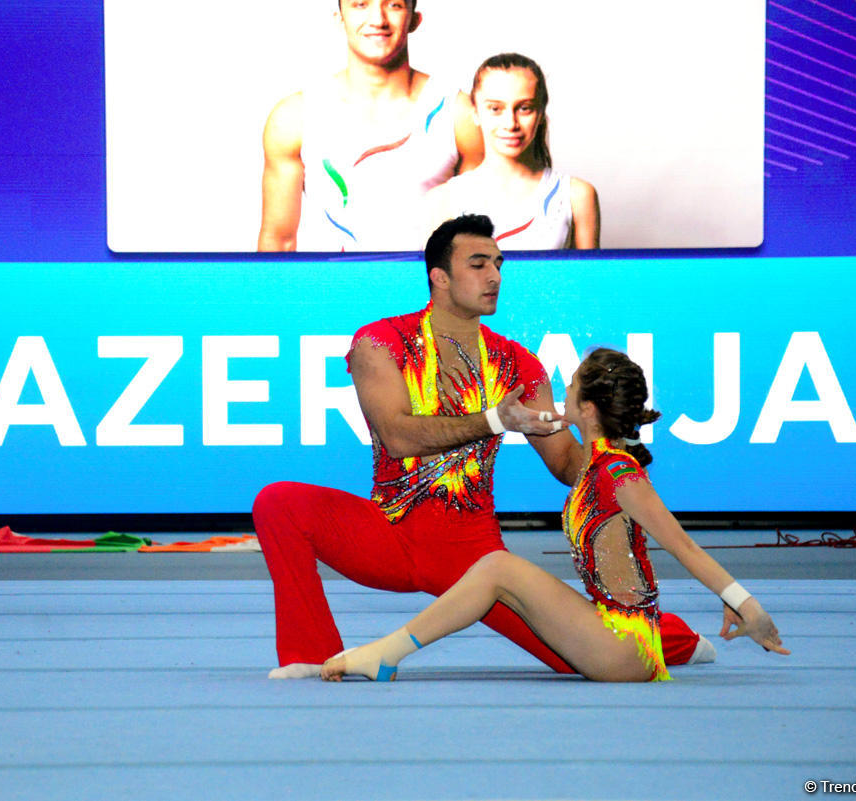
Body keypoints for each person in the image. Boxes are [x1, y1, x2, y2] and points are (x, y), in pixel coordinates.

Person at [253, 214, 711, 680]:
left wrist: (613, 451)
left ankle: (676, 638)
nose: (494, 276)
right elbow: (397, 435)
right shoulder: (381, 342)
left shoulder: (518, 364)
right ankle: (309, 653)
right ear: (440, 277)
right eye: (478, 264)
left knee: (574, 656)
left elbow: (565, 462)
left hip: (473, 556)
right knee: (278, 503)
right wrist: (495, 419)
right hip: (389, 533)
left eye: (498, 263)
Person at [322, 348, 790, 682]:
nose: (560, 393)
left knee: (497, 567)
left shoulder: (620, 475)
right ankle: (386, 653)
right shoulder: (595, 464)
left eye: (569, 387)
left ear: (586, 409)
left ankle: (385, 654)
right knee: (497, 571)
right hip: (609, 627)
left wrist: (746, 603)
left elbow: (683, 546)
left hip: (627, 646)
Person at [257, 0, 484, 252]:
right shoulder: (295, 117)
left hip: (429, 289)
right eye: (360, 4)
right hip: (335, 288)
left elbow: (485, 238)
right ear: (339, 18)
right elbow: (278, 241)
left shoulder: (458, 114)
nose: (378, 19)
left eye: (394, 5)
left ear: (414, 20)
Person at [425, 53, 599, 249]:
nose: (510, 123)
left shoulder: (576, 196)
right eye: (495, 108)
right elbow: (436, 278)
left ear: (541, 113)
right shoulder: (443, 200)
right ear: (475, 113)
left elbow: (589, 278)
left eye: (524, 108)